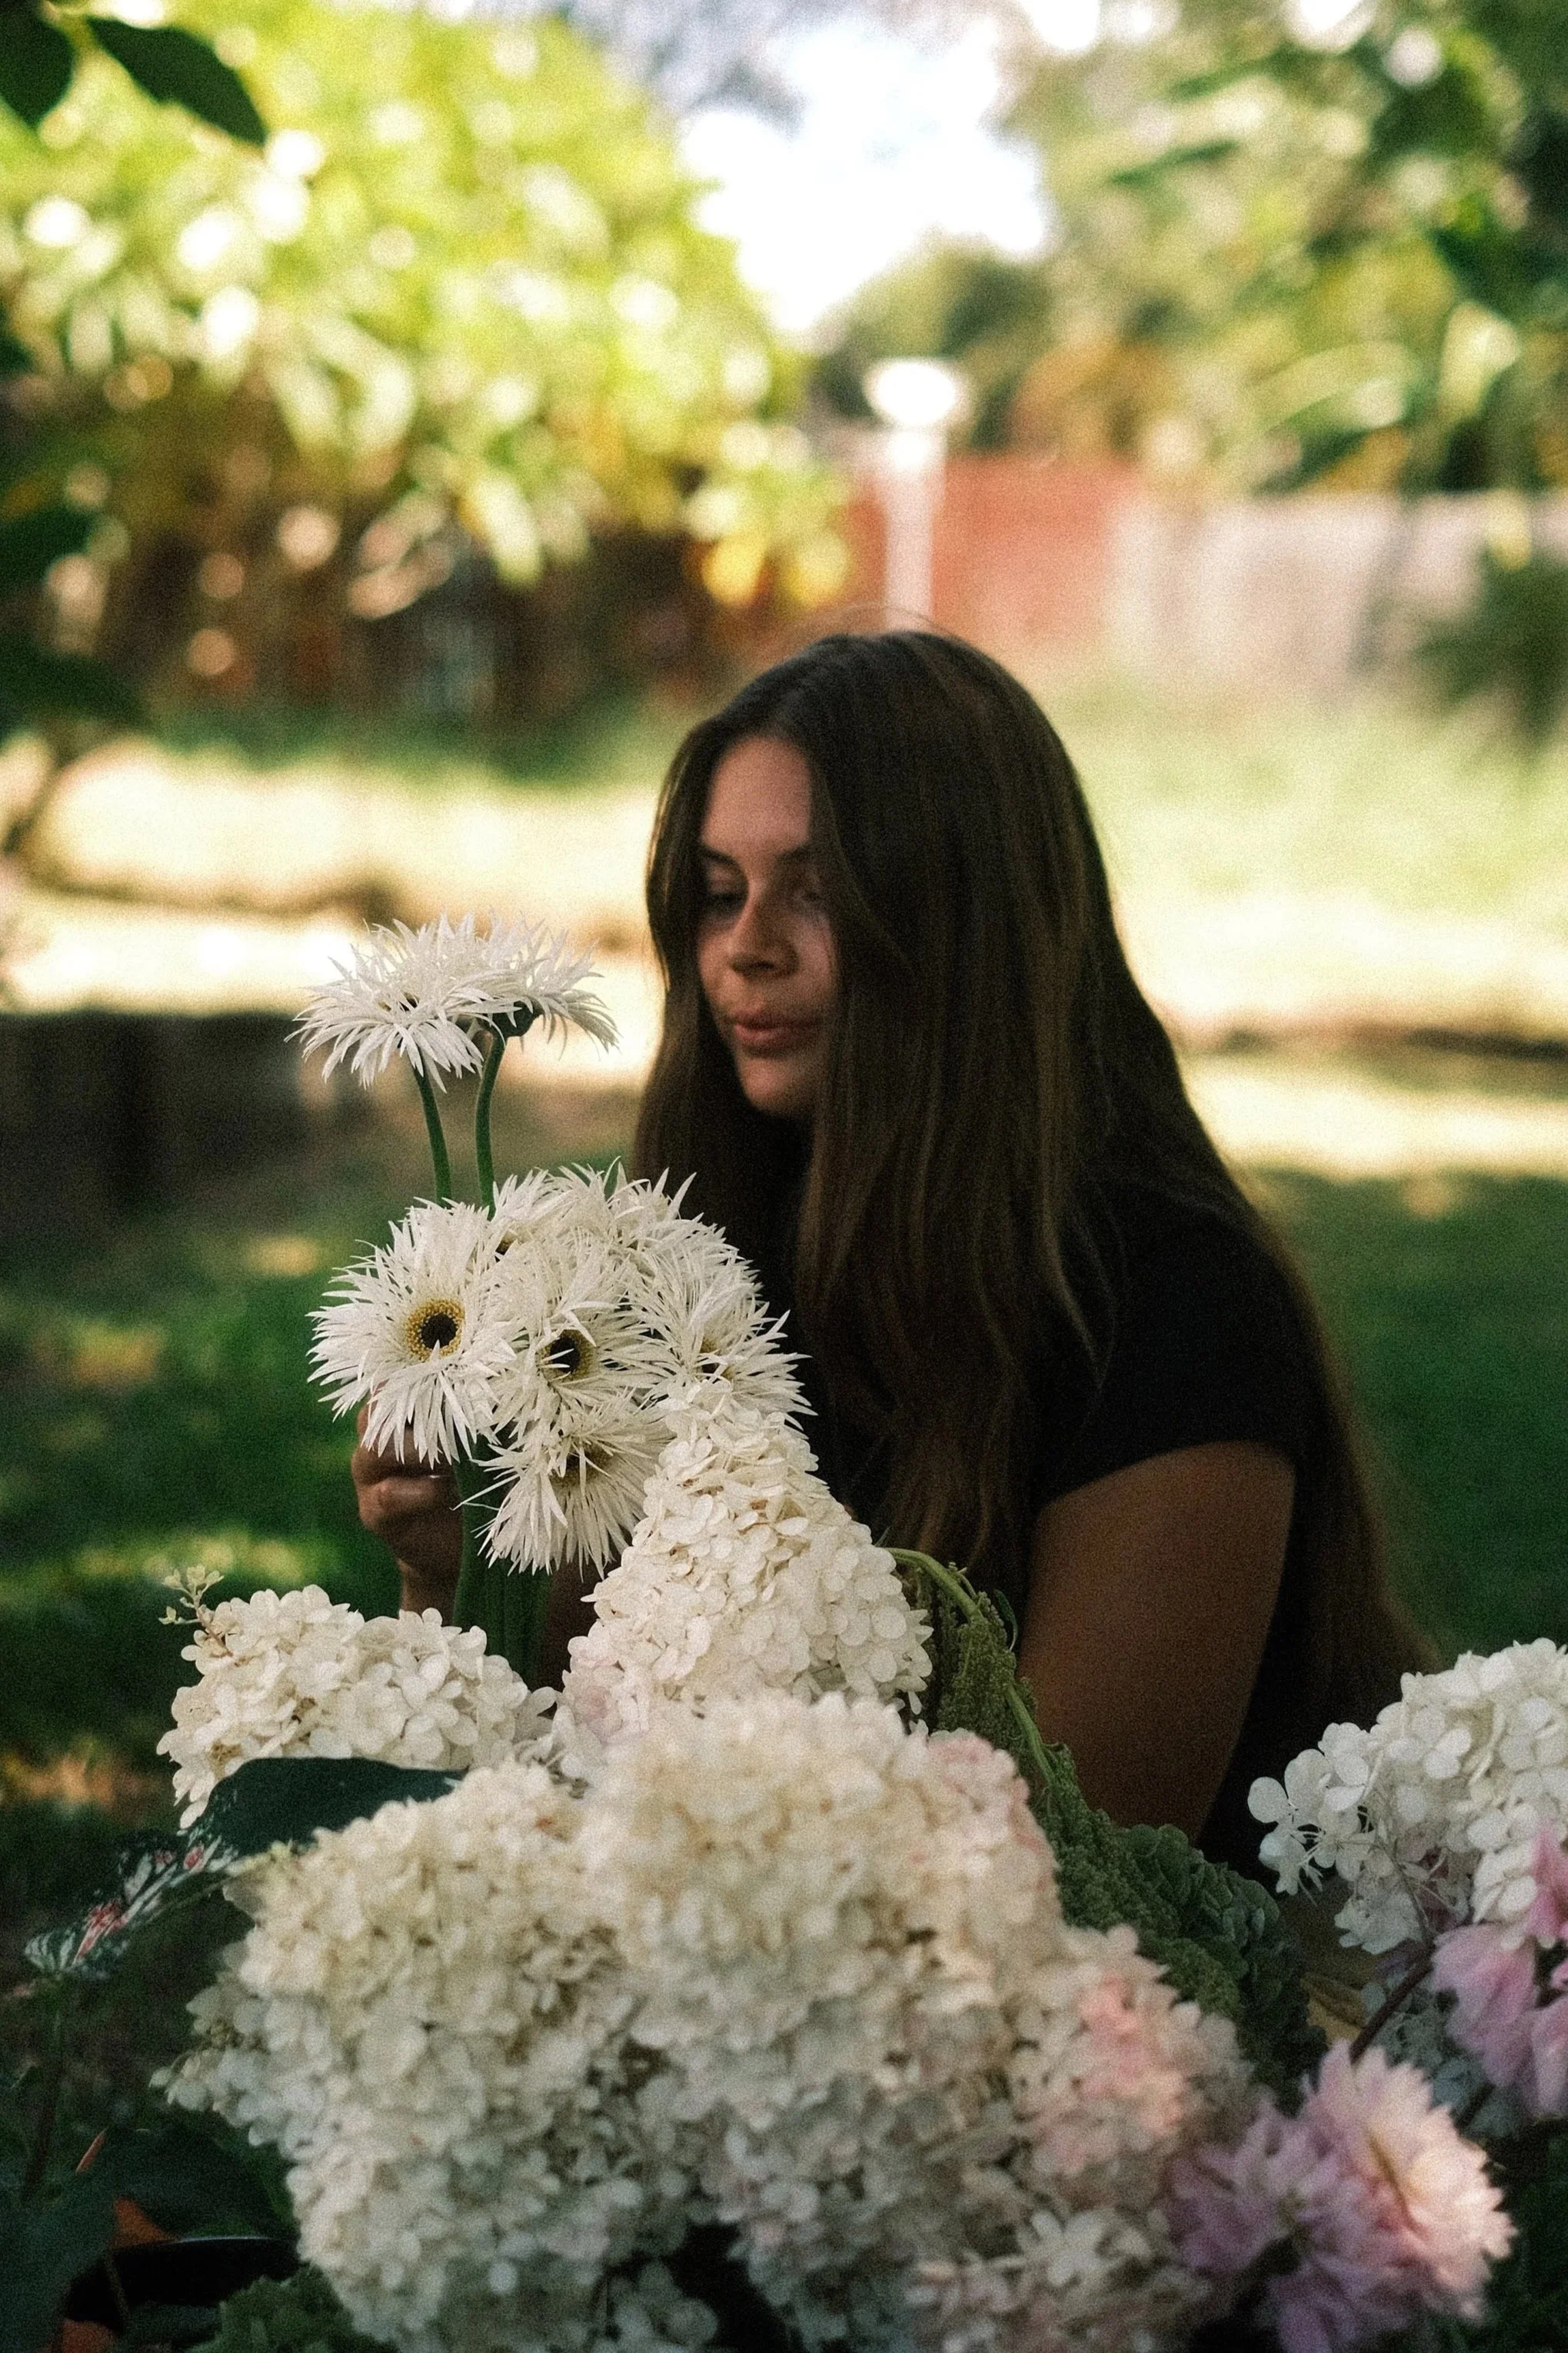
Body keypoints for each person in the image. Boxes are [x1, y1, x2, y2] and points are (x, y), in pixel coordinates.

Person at [354, 630, 1430, 1874]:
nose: (745, 948)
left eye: (814, 891)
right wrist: (456, 1576)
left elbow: (1074, 1862)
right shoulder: (699, 1261)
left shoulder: (1175, 1306)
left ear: (963, 925)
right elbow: (581, 1735)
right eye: (718, 893)